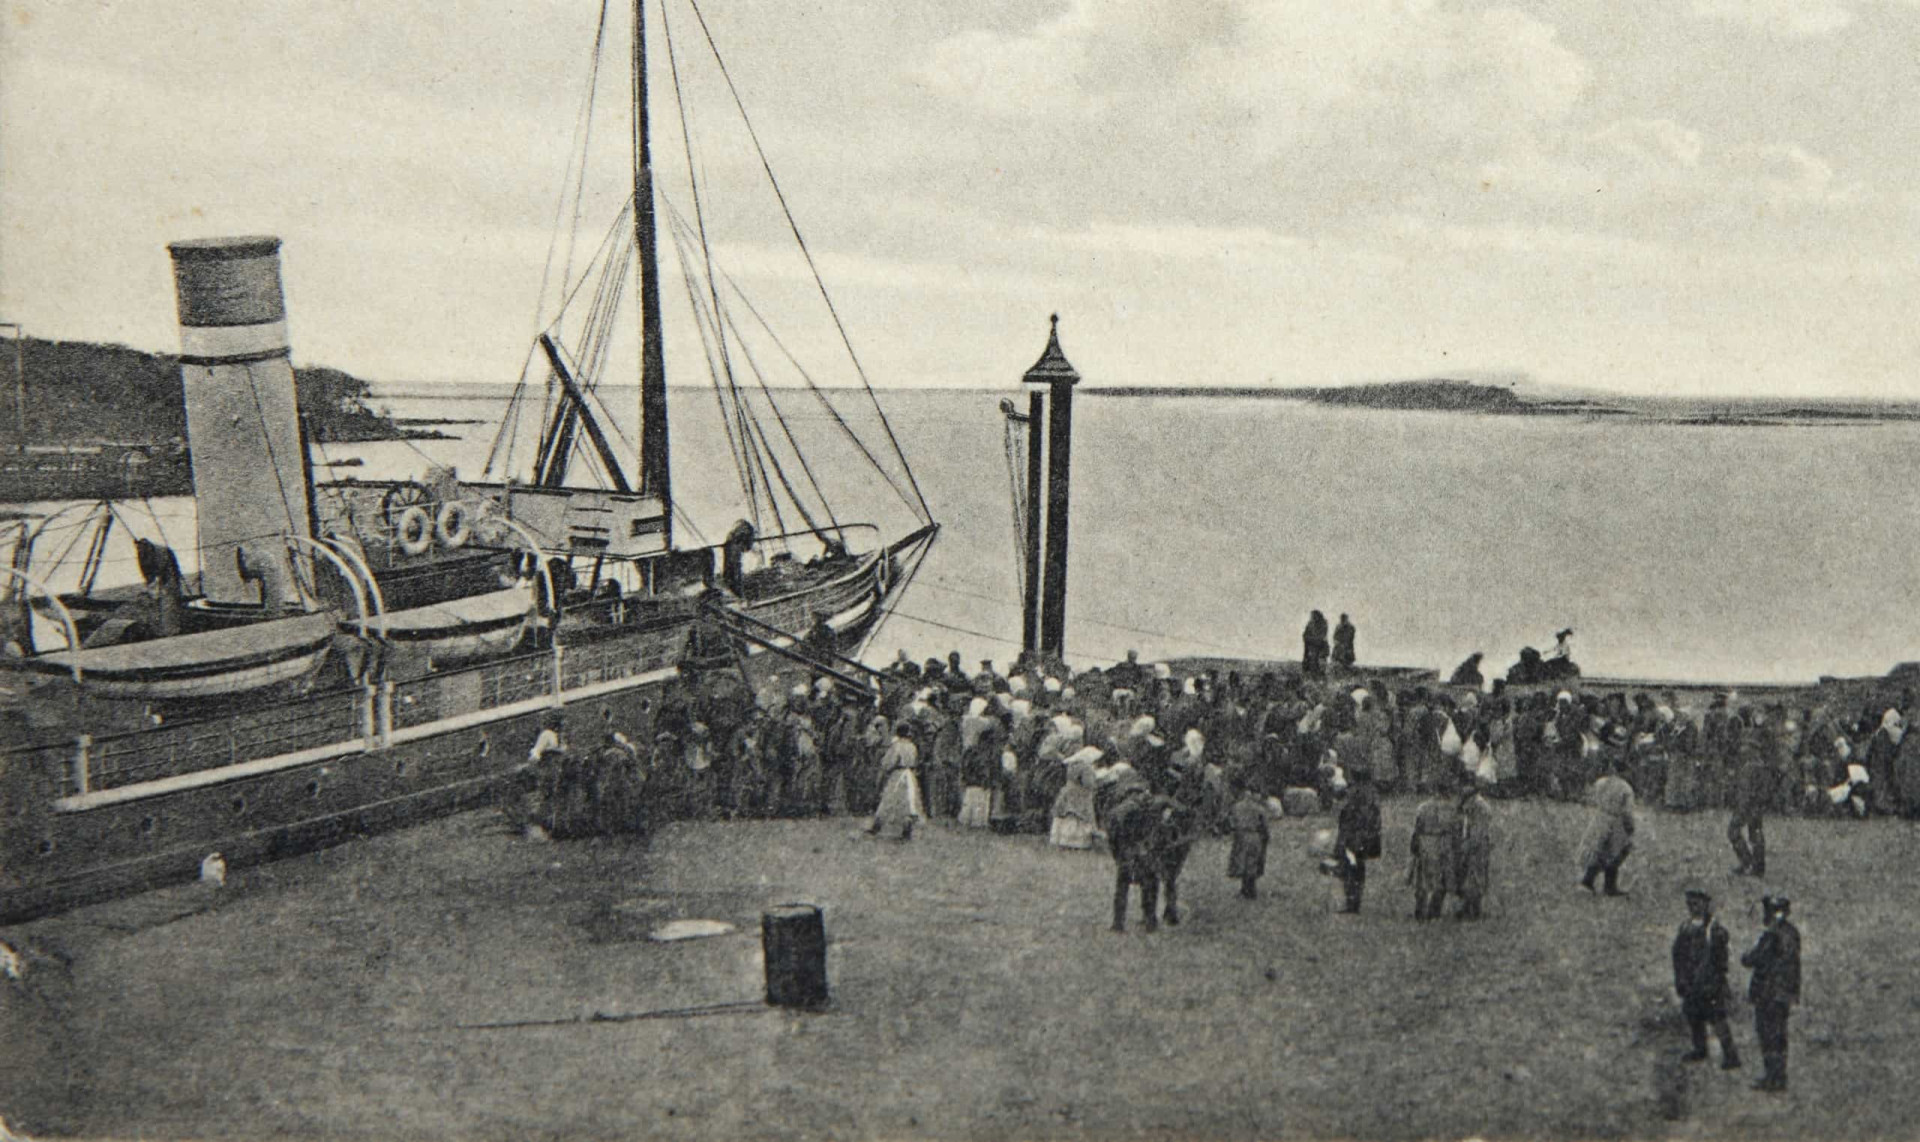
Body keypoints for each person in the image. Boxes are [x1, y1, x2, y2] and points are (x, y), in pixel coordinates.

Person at [1671, 886, 1741, 1070]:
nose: (1693, 908)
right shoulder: (1685, 927)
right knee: (1693, 1016)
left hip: (1709, 983)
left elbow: (1721, 959)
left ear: (1705, 904)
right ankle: (1699, 1049)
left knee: (1717, 1018)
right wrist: (1680, 978)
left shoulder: (1714, 929)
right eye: (1690, 904)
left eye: (1696, 904)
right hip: (1691, 981)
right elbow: (1677, 954)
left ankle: (1731, 1055)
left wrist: (1718, 980)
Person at [1741, 895, 1802, 1092]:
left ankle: (1772, 1077)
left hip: (1768, 993)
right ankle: (1779, 1077)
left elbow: (1754, 959)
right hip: (1784, 993)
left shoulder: (1772, 935)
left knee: (1768, 1036)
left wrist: (1746, 957)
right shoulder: (1792, 933)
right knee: (1779, 1036)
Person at [1409, 775, 1461, 921]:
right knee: (1441, 878)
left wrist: (1415, 845)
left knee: (1423, 878)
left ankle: (1420, 910)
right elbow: (1455, 830)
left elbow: (1417, 827)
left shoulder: (1423, 807)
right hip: (1443, 842)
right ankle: (1434, 910)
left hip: (1426, 840)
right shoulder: (1451, 809)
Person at [1580, 760, 1636, 897]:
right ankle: (1609, 885)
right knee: (1615, 853)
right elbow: (1627, 811)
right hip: (1616, 821)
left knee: (1597, 851)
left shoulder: (1601, 782)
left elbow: (1590, 797)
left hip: (1600, 818)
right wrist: (1630, 827)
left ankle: (1588, 881)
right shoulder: (1626, 788)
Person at [1335, 761, 1382, 914]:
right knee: (1359, 869)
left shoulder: (1353, 793)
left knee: (1349, 869)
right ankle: (1356, 902)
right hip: (1367, 836)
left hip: (1352, 836)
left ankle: (1351, 903)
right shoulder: (1372, 794)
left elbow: (1346, 816)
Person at [1729, 721, 1772, 877]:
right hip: (1757, 805)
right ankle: (1757, 867)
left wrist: (1741, 807)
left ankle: (1748, 862)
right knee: (1756, 832)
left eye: (1745, 746)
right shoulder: (1759, 765)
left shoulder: (1750, 767)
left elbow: (1745, 791)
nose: (1742, 749)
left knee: (1733, 832)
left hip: (1746, 805)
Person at [869, 722, 922, 841]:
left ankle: (877, 825)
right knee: (908, 802)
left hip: (898, 774)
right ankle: (906, 829)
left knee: (889, 798)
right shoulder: (912, 746)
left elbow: (889, 762)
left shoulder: (896, 746)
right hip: (909, 774)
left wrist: (885, 769)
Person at [1455, 778, 1494, 920]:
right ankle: (1468, 907)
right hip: (1472, 844)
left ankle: (1473, 910)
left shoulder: (1479, 807)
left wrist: (1467, 846)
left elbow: (1478, 832)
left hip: (1477, 847)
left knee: (1475, 877)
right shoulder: (1472, 804)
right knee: (1470, 877)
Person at [1226, 780, 1270, 900]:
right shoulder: (1259, 808)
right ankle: (1250, 891)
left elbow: (1230, 822)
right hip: (1254, 835)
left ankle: (1245, 890)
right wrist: (1265, 838)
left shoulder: (1236, 806)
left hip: (1241, 835)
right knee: (1252, 863)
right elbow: (1264, 826)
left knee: (1242, 863)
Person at [1302, 610, 1330, 676]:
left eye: (1314, 616)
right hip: (1311, 648)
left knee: (1320, 667)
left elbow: (1321, 637)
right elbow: (1305, 635)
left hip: (1320, 648)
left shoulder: (1323, 623)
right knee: (1310, 666)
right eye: (1312, 616)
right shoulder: (1310, 624)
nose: (1312, 617)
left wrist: (1310, 639)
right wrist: (1308, 639)